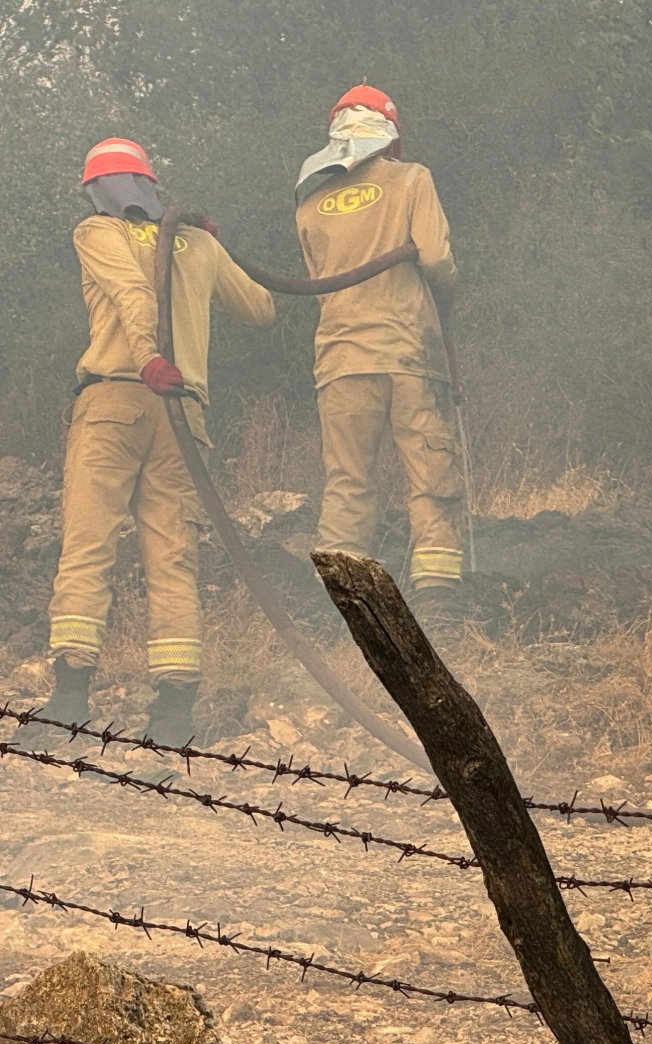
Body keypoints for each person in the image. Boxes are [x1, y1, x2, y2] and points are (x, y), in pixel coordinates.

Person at [41, 137, 275, 743]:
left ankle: (68, 702)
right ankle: (173, 716)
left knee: (88, 546)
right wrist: (213, 252)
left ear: (95, 190)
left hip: (116, 400)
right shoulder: (194, 241)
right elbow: (262, 308)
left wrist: (147, 356)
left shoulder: (97, 231)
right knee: (173, 557)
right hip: (182, 411)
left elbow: (133, 293)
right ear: (150, 184)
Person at [295, 84, 464, 617]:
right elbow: (436, 259)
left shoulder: (310, 203)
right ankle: (437, 597)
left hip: (342, 360)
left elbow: (318, 280)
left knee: (348, 481)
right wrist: (449, 295)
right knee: (430, 472)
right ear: (391, 135)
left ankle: (343, 605)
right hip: (408, 352)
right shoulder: (412, 178)